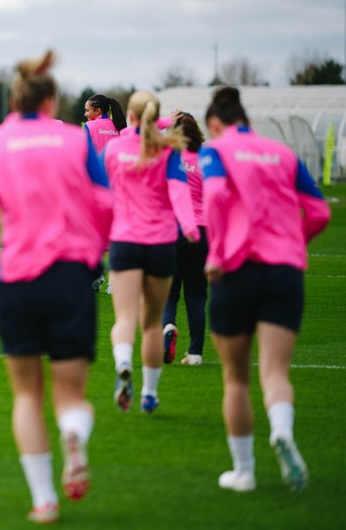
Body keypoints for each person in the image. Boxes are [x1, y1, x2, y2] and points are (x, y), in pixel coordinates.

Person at [0, 50, 113, 524]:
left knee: (27, 396)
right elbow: (105, 204)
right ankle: (73, 433)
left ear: (13, 103)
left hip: (17, 281)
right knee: (71, 395)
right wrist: (93, 252)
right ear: (52, 102)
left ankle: (44, 500)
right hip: (70, 277)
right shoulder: (76, 141)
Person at [201, 86, 330, 493]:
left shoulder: (217, 150)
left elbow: (216, 193)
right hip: (284, 271)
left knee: (235, 378)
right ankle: (281, 431)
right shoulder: (283, 153)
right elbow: (320, 211)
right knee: (275, 372)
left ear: (216, 124)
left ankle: (244, 471)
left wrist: (219, 249)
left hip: (236, 269)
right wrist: (292, 241)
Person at [104, 90, 199, 414]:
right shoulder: (167, 151)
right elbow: (179, 191)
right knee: (152, 323)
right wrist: (189, 225)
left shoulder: (114, 148)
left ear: (128, 116)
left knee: (125, 318)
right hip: (161, 244)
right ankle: (149, 393)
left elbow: (100, 196)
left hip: (125, 242)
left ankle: (122, 364)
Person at [162, 112, 208, 365]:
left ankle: (168, 327)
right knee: (196, 295)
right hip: (202, 231)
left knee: (169, 293)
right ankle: (195, 353)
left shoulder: (170, 159)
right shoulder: (205, 160)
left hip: (174, 230)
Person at [83, 94, 126, 293]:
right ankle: (114, 281)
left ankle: (96, 275)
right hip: (120, 188)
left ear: (97, 111)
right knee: (116, 234)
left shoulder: (89, 128)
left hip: (96, 188)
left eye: (88, 110)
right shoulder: (120, 127)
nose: (85, 114)